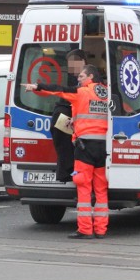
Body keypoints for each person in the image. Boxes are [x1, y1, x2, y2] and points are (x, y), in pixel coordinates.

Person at [25, 65, 109, 239]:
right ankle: (101, 229)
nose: (78, 79)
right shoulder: (109, 94)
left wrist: (38, 86)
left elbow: (59, 90)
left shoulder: (82, 93)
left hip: (85, 147)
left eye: (81, 76)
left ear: (91, 77)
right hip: (104, 147)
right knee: (101, 189)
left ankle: (85, 229)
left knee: (84, 187)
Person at [50, 49, 88, 182]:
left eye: (74, 62)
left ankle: (71, 171)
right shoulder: (72, 80)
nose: (72, 66)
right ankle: (68, 170)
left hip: (88, 128)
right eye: (69, 63)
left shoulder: (92, 79)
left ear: (83, 62)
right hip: (76, 125)